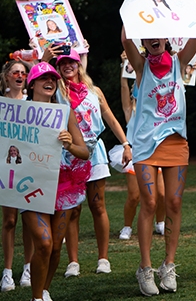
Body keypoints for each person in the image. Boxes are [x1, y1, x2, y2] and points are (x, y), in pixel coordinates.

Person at [122, 0, 196, 295]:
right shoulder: (140, 66)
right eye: (149, 35)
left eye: (159, 34)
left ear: (168, 37)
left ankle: (168, 265)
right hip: (144, 143)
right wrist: (136, 1)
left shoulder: (180, 63)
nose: (154, 39)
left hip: (175, 141)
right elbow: (125, 36)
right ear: (144, 40)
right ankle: (145, 268)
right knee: (150, 201)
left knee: (174, 202)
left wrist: (187, 0)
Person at [42, 49, 132, 278]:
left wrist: (126, 143)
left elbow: (110, 118)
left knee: (98, 205)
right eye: (62, 64)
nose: (67, 66)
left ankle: (103, 258)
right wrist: (44, 59)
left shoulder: (95, 91)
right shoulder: (56, 91)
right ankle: (73, 261)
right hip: (66, 153)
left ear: (79, 64)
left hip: (94, 153)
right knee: (72, 209)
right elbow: (38, 82)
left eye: (71, 62)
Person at [21, 62, 90, 301]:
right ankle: (37, 298)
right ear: (32, 84)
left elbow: (84, 152)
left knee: (56, 248)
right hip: (29, 186)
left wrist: (70, 143)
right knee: (44, 242)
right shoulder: (18, 112)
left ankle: (43, 291)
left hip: (62, 186)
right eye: (43, 78)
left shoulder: (65, 112)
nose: (49, 81)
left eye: (52, 78)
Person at [116, 52, 166, 241]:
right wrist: (124, 66)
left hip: (156, 152)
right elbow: (123, 87)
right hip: (135, 155)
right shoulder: (131, 111)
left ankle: (160, 222)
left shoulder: (156, 110)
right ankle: (127, 226)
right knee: (134, 196)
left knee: (161, 193)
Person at [0, 60, 33, 292]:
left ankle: (29, 267)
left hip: (30, 168)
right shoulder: (1, 105)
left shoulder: (33, 104)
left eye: (23, 72)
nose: (19, 75)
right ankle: (8, 272)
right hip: (6, 169)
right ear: (7, 77)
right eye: (15, 72)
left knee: (29, 220)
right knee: (10, 220)